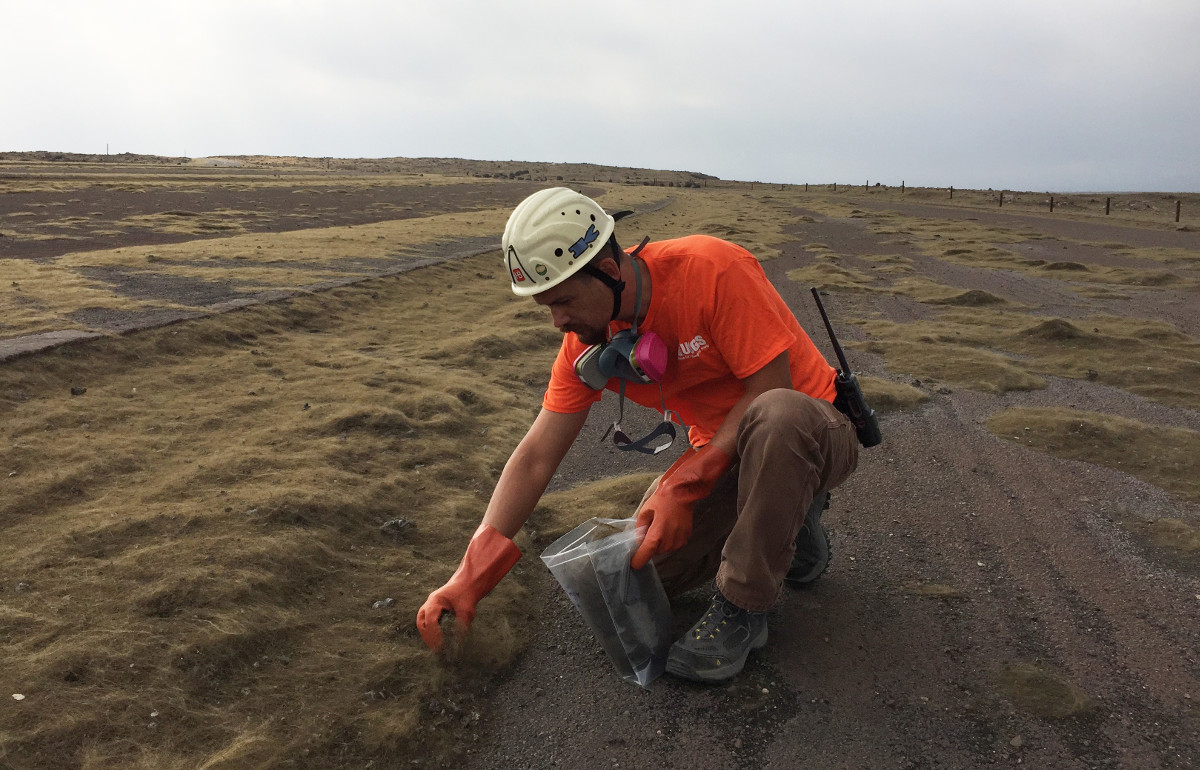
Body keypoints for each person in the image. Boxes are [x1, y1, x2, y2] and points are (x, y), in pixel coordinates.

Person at [416, 187, 860, 683]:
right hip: (721, 451)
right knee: (636, 578)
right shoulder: (587, 345)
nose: (558, 320)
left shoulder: (711, 269)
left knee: (778, 417)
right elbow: (537, 455)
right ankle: (788, 527)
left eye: (563, 300)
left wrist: (684, 484)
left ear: (609, 270)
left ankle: (744, 607)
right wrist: (468, 578)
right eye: (546, 306)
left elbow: (769, 389)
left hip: (812, 431)